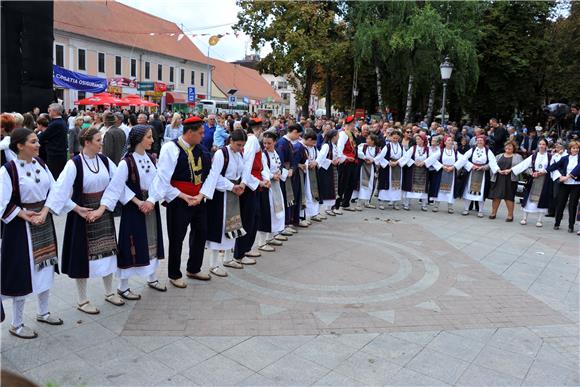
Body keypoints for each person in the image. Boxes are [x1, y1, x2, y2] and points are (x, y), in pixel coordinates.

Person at [46, 127, 123, 314]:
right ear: (87, 142)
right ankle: (82, 300)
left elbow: (116, 184)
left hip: (102, 212)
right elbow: (59, 190)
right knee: (82, 257)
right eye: (98, 140)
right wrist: (76, 208)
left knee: (109, 252)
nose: (101, 143)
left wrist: (103, 207)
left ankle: (109, 292)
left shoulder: (104, 161)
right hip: (83, 214)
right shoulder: (74, 164)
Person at [0, 128, 63, 339]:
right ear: (19, 145)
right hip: (20, 227)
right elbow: (2, 203)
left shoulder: (41, 164)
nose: (38, 145)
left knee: (45, 268)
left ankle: (43, 312)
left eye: (38, 141)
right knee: (23, 273)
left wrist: (44, 211)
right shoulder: (8, 170)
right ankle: (16, 324)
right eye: (33, 141)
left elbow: (55, 190)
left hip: (43, 221)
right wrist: (23, 214)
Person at [95, 125, 167, 298]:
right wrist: (137, 202)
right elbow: (117, 187)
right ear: (139, 139)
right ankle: (123, 285)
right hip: (134, 209)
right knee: (131, 244)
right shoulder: (126, 162)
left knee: (153, 240)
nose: (152, 140)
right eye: (149, 137)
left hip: (150, 205)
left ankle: (152, 276)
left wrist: (151, 200)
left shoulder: (150, 158)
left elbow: (158, 182)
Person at [150, 116, 212, 288]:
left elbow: (209, 175)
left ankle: (193, 268)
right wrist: (182, 196)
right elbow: (163, 179)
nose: (203, 136)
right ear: (190, 132)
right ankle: (174, 273)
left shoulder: (202, 149)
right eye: (200, 133)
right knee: (177, 237)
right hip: (178, 200)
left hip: (198, 199)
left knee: (201, 232)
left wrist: (201, 196)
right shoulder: (171, 148)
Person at [204, 129, 248, 276]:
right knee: (220, 228)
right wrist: (231, 186)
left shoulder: (239, 154)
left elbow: (242, 172)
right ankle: (213, 264)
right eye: (238, 145)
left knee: (233, 225)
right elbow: (215, 176)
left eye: (243, 145)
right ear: (231, 141)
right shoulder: (221, 154)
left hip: (234, 194)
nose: (241, 148)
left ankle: (229, 257)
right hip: (221, 195)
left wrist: (242, 183)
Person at [234, 118, 269, 262]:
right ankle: (240, 253)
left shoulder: (251, 139)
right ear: (258, 129)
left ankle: (245, 249)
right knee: (249, 219)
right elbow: (247, 165)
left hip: (251, 183)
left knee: (253, 218)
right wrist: (258, 182)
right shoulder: (252, 139)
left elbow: (258, 164)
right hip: (249, 185)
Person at [256, 131, 287, 251]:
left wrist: (280, 172)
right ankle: (261, 241)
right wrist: (271, 176)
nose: (266, 145)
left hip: (276, 185)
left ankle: (271, 236)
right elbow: (263, 169)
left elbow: (279, 165)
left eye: (269, 143)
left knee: (275, 211)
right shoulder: (263, 155)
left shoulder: (275, 153)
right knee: (266, 212)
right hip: (267, 186)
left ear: (275, 142)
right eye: (264, 143)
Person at [455, 135, 499, 218]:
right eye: (478, 140)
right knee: (468, 190)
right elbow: (464, 159)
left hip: (482, 173)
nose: (479, 142)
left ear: (484, 141)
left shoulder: (488, 151)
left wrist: (485, 167)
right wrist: (471, 166)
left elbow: (492, 162)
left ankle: (480, 211)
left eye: (481, 140)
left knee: (481, 191)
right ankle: (466, 209)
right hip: (472, 172)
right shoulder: (472, 149)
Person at [511, 138, 552, 227]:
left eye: (543, 144)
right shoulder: (534, 155)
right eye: (540, 144)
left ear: (546, 146)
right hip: (533, 179)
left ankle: (540, 220)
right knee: (528, 198)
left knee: (542, 199)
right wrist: (512, 170)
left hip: (544, 180)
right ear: (538, 145)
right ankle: (524, 218)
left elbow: (553, 167)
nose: (541, 146)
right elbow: (524, 165)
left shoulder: (549, 156)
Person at [546, 140, 580, 232]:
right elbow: (555, 166)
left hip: (576, 185)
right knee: (560, 203)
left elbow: (578, 169)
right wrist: (545, 171)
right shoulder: (565, 158)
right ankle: (557, 223)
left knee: (572, 205)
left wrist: (567, 177)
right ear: (570, 149)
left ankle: (571, 226)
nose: (575, 150)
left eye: (577, 148)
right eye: (573, 148)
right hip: (564, 185)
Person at [276, 123, 302, 233]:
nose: (299, 137)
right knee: (285, 199)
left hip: (288, 173)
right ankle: (283, 225)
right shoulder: (282, 142)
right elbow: (280, 161)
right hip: (284, 174)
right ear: (294, 132)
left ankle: (287, 223)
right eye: (298, 135)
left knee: (289, 198)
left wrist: (292, 168)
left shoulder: (289, 143)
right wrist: (287, 170)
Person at [488, 140, 523, 221]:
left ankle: (510, 215)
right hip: (498, 178)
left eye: (510, 146)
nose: (508, 147)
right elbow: (492, 165)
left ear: (514, 148)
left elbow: (522, 167)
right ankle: (493, 213)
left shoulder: (518, 157)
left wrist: (531, 173)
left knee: (509, 198)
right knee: (496, 197)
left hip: (510, 179)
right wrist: (498, 171)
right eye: (507, 146)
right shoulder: (498, 156)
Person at [401, 133, 435, 211]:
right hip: (413, 170)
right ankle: (406, 204)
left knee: (424, 187)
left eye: (419, 139)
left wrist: (424, 162)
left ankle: (423, 205)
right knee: (410, 186)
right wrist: (414, 162)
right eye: (416, 139)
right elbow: (406, 157)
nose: (417, 140)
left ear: (423, 140)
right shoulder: (413, 148)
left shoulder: (428, 149)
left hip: (423, 171)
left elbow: (432, 158)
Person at [429, 136, 459, 213]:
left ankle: (450, 207)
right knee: (439, 189)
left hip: (451, 172)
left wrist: (454, 166)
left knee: (451, 190)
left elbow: (462, 160)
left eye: (451, 140)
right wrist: (442, 166)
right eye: (448, 140)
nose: (450, 141)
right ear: (445, 142)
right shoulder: (441, 151)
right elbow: (432, 159)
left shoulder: (455, 152)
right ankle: (436, 205)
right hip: (442, 172)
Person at [376, 130, 404, 210]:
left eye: (397, 138)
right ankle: (381, 202)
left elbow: (405, 157)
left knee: (396, 185)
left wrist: (398, 162)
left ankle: (395, 202)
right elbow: (381, 157)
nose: (395, 140)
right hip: (388, 167)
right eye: (394, 138)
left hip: (397, 167)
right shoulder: (387, 146)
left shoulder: (401, 147)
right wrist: (388, 163)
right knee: (385, 184)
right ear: (391, 137)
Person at [38, 103, 68, 178]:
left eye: (50, 110)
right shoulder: (61, 122)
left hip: (55, 155)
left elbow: (43, 137)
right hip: (59, 154)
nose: (49, 112)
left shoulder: (56, 123)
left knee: (54, 177)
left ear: (55, 112)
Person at [335, 116, 358, 212]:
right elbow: (339, 149)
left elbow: (354, 148)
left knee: (351, 183)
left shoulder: (351, 134)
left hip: (353, 162)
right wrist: (345, 158)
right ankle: (336, 206)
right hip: (345, 163)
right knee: (342, 184)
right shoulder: (343, 134)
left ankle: (346, 203)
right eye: (353, 123)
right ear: (348, 124)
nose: (354, 125)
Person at [316, 129, 340, 216]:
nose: (338, 137)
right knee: (325, 188)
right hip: (325, 169)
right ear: (334, 136)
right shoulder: (326, 146)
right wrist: (330, 161)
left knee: (332, 188)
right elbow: (320, 157)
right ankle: (320, 210)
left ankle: (329, 207)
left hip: (331, 169)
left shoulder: (333, 145)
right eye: (337, 135)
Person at [355, 134, 380, 209]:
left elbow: (379, 157)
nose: (367, 140)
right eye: (367, 139)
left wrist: (373, 160)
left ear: (373, 141)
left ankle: (367, 202)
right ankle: (359, 203)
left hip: (371, 167)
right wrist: (365, 158)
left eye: (369, 139)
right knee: (362, 183)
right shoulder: (363, 146)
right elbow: (358, 152)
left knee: (370, 184)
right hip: (363, 167)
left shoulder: (377, 149)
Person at [302, 130, 323, 221]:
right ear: (309, 139)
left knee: (313, 192)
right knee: (306, 193)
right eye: (313, 142)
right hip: (305, 174)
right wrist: (308, 164)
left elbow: (319, 157)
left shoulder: (313, 148)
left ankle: (314, 213)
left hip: (313, 173)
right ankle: (305, 215)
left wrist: (316, 162)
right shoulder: (301, 146)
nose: (314, 144)